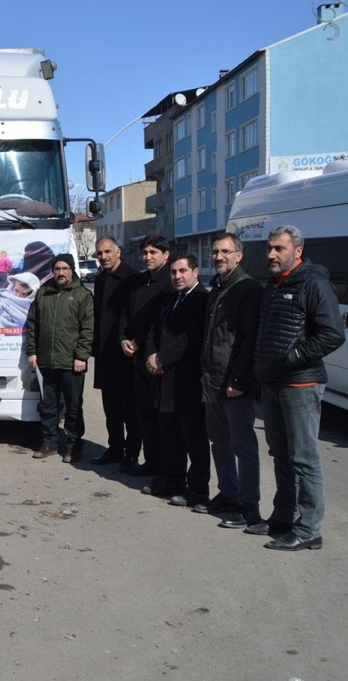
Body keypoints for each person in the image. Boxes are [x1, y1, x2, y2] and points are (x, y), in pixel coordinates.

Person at [255, 225, 344, 550]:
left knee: (304, 458)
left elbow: (333, 333)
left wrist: (296, 355)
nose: (271, 255)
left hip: (301, 384)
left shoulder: (313, 284)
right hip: (273, 383)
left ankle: (309, 529)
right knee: (280, 454)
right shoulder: (274, 286)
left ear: (298, 251)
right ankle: (282, 517)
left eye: (278, 248)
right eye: (269, 248)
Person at [199, 233, 264, 528]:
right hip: (213, 379)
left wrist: (239, 379)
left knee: (243, 447)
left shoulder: (248, 289)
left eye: (225, 251)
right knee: (219, 443)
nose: (219, 257)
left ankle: (248, 507)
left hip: (235, 383)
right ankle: (228, 493)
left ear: (239, 255)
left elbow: (249, 340)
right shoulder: (218, 287)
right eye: (215, 252)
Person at [142, 254, 210, 507]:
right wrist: (151, 356)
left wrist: (162, 358)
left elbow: (190, 338)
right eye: (173, 272)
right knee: (170, 436)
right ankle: (173, 481)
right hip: (164, 379)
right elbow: (154, 330)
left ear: (195, 272)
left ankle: (198, 490)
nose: (177, 276)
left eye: (183, 271)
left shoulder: (201, 299)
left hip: (187, 380)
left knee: (194, 439)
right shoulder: (171, 299)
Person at [25, 254, 94, 463]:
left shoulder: (82, 295)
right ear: (52, 271)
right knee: (48, 406)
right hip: (46, 362)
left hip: (72, 363)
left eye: (65, 268)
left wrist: (82, 355)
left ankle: (74, 446)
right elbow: (32, 325)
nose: (61, 272)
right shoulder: (43, 294)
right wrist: (32, 351)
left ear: (71, 270)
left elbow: (88, 328)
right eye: (57, 268)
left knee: (73, 407)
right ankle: (50, 443)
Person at [117, 235, 173, 475]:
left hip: (158, 359)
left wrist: (140, 343)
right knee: (143, 413)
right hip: (136, 359)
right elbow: (125, 314)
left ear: (166, 254)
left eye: (153, 252)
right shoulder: (140, 281)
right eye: (145, 253)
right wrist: (123, 339)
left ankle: (166, 466)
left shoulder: (170, 282)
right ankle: (150, 461)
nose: (148, 257)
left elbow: (158, 322)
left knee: (162, 417)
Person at [89, 236, 140, 468]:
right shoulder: (100, 279)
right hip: (104, 353)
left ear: (118, 252)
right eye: (100, 254)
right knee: (111, 408)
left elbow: (134, 316)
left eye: (108, 252)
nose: (104, 257)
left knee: (130, 408)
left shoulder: (132, 279)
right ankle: (115, 447)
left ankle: (132, 453)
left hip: (125, 354)